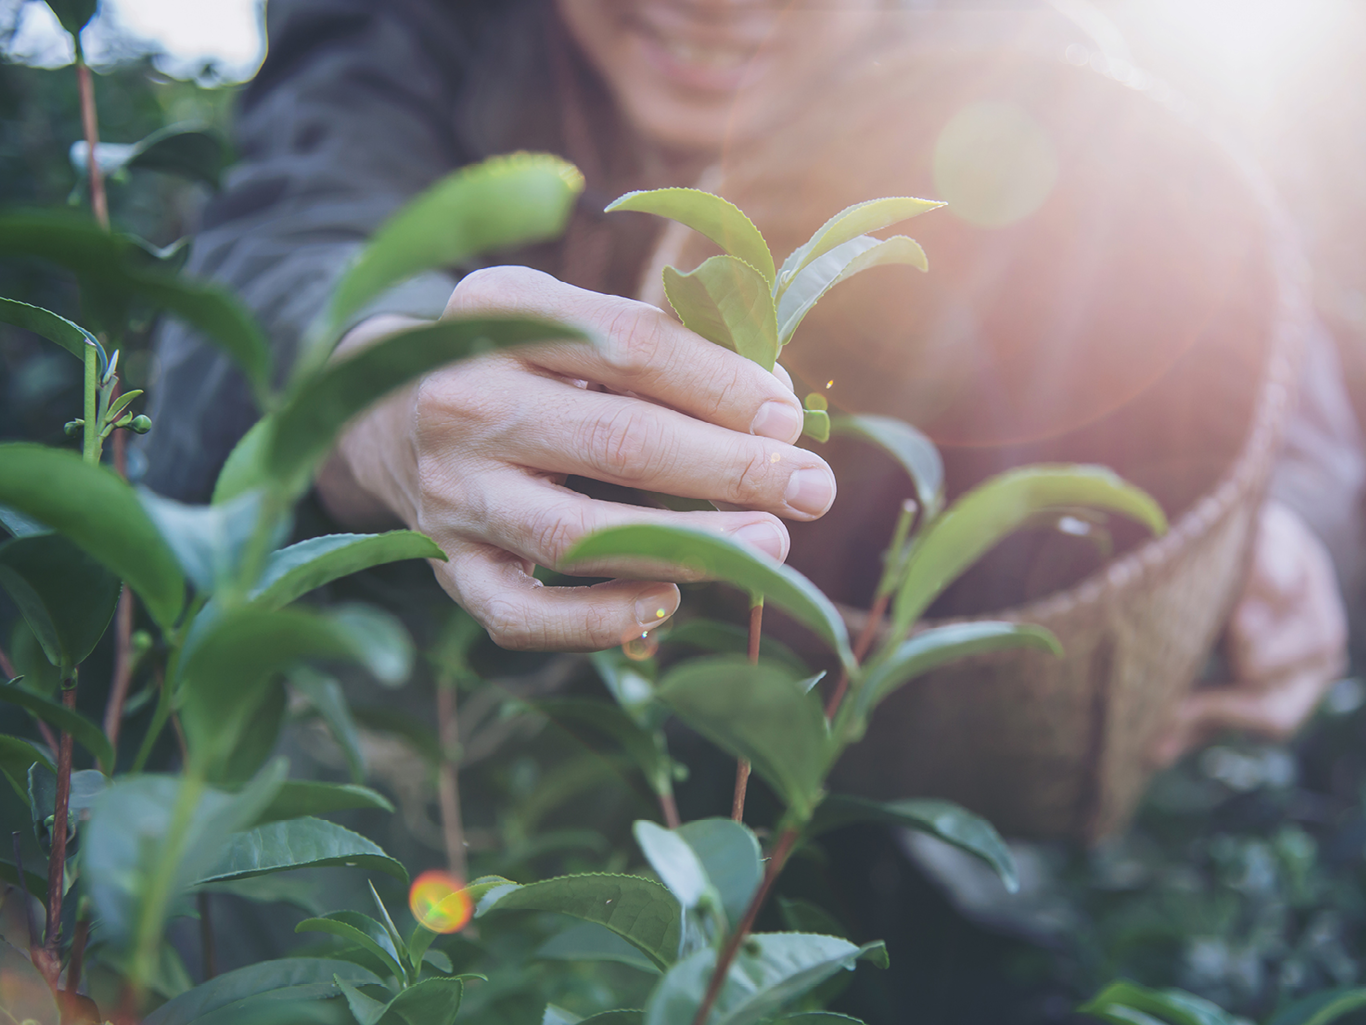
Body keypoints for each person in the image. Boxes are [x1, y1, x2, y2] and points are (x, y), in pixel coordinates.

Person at [140, 0, 1359, 777]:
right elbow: (289, 241)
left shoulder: (1027, 51)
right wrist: (381, 386)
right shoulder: (403, 26)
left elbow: (1245, 313)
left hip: (874, 748)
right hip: (481, 729)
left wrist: (1293, 530)